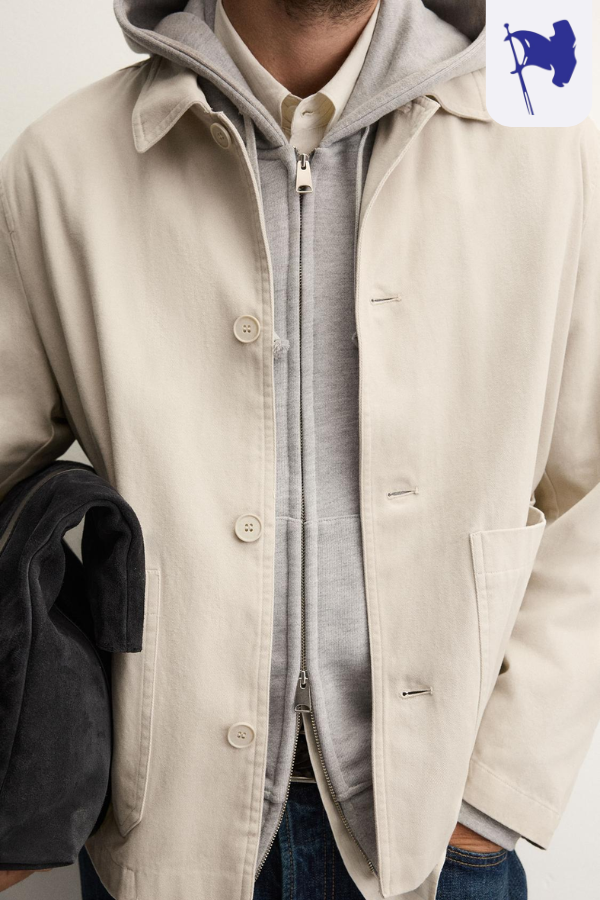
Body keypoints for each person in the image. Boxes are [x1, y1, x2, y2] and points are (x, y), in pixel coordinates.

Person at [1, 0, 599, 898]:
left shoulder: (552, 143)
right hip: (168, 832)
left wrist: (494, 793)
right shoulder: (63, 166)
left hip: (440, 848)